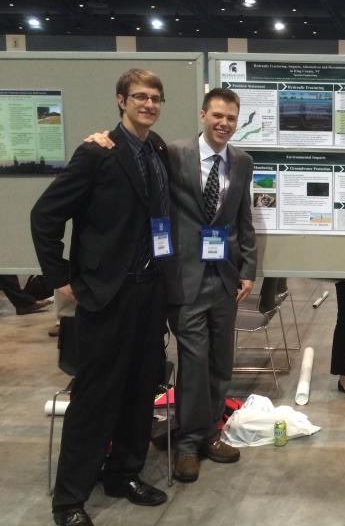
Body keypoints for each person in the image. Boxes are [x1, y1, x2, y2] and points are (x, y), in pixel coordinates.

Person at [85, 88, 257, 484]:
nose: (224, 124)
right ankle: (187, 443)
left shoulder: (242, 161)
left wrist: (248, 267)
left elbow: (243, 218)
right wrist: (101, 140)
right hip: (184, 276)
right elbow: (133, 148)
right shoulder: (173, 152)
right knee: (194, 360)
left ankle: (212, 432)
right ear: (202, 114)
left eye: (231, 118)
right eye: (217, 115)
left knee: (220, 361)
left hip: (226, 277)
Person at [31, 69, 171, 526]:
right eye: (139, 97)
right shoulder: (97, 152)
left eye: (154, 98)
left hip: (149, 294)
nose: (147, 104)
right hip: (106, 297)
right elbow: (45, 215)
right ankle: (69, 500)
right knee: (94, 399)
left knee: (139, 391)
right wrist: (60, 277)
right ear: (120, 101)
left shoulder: (157, 151)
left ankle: (123, 474)